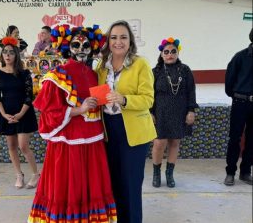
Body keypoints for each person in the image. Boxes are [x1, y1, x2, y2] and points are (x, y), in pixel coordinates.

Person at [27, 24, 116, 223]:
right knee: (68, 186)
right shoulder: (58, 75)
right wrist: (79, 110)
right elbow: (48, 114)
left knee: (90, 185)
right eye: (76, 45)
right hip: (67, 144)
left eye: (86, 45)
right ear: (68, 47)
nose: (81, 49)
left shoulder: (94, 75)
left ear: (92, 48)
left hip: (93, 142)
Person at [96, 20, 156, 223]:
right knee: (114, 183)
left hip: (133, 132)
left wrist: (124, 99)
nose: (118, 41)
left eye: (123, 37)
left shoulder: (141, 64)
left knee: (131, 184)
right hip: (108, 130)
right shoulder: (101, 66)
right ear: (108, 41)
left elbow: (148, 99)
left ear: (130, 41)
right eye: (114, 37)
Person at [150, 37, 197, 188]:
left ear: (177, 53)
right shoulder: (155, 71)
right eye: (166, 52)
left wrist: (191, 110)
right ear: (161, 54)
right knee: (159, 143)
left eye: (173, 52)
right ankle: (156, 173)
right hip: (160, 111)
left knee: (175, 142)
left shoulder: (185, 70)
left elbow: (191, 91)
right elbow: (149, 94)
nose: (170, 54)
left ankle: (169, 174)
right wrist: (150, 112)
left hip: (179, 111)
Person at [0, 36, 39, 189]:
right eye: (5, 52)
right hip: (6, 114)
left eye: (11, 52)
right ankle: (19, 174)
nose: (7, 55)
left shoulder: (24, 73)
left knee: (23, 146)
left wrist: (20, 114)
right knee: (11, 145)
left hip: (23, 113)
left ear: (16, 55)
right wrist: (4, 114)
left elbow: (29, 96)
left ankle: (35, 174)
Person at [224, 28, 253, 186]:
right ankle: (230, 173)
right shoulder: (240, 57)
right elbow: (229, 81)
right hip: (240, 102)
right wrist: (236, 95)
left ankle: (246, 172)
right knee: (234, 138)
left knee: (252, 139)